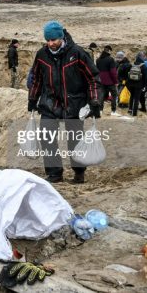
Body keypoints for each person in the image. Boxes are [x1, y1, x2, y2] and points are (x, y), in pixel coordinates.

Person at [28, 21, 102, 184]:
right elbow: (37, 79)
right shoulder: (42, 55)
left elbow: (93, 79)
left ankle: (79, 172)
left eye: (53, 40)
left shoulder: (78, 54)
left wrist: (95, 100)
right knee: (46, 136)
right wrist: (33, 98)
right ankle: (54, 173)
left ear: (61, 37)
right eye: (47, 40)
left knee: (74, 140)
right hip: (50, 103)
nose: (50, 43)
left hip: (74, 104)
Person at [96, 46, 120, 116]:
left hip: (101, 81)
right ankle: (113, 111)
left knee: (101, 96)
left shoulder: (98, 60)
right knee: (114, 95)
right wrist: (115, 82)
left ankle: (100, 110)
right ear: (109, 51)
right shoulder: (111, 59)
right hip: (110, 81)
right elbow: (113, 72)